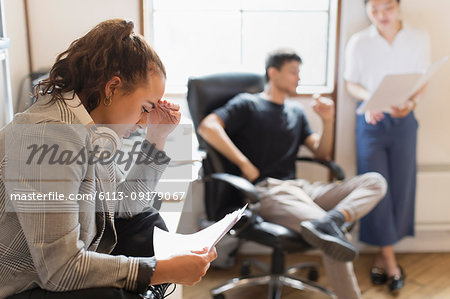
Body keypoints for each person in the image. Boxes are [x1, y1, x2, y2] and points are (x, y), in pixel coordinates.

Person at [0, 19, 216, 299]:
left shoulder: (88, 125)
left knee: (146, 221)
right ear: (112, 88)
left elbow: (126, 205)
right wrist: (158, 270)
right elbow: (61, 270)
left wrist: (157, 137)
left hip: (60, 264)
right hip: (24, 284)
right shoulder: (48, 136)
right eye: (145, 107)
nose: (142, 121)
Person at [198, 48, 387, 299]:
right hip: (267, 191)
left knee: (375, 181)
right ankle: (331, 232)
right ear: (273, 73)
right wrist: (244, 163)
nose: (299, 78)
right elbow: (208, 126)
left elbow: (322, 154)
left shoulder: (296, 112)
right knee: (331, 240)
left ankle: (334, 218)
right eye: (293, 72)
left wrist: (328, 120)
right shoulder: (248, 103)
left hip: (302, 188)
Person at [344, 0, 430, 293]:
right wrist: (370, 100)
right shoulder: (359, 42)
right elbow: (351, 83)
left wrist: (412, 103)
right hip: (371, 122)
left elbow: (422, 79)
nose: (381, 15)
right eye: (374, 8)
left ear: (398, 6)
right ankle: (391, 262)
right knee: (375, 185)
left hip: (404, 121)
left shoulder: (418, 37)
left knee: (401, 186)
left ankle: (383, 256)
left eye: (387, 8)